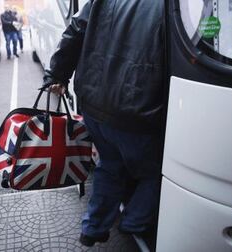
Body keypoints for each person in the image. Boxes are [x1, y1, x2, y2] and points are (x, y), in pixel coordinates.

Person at [43, 0, 166, 247]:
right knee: (154, 172)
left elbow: (75, 31)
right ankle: (134, 222)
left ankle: (93, 227)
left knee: (109, 166)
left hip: (93, 103)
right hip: (137, 109)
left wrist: (57, 75)